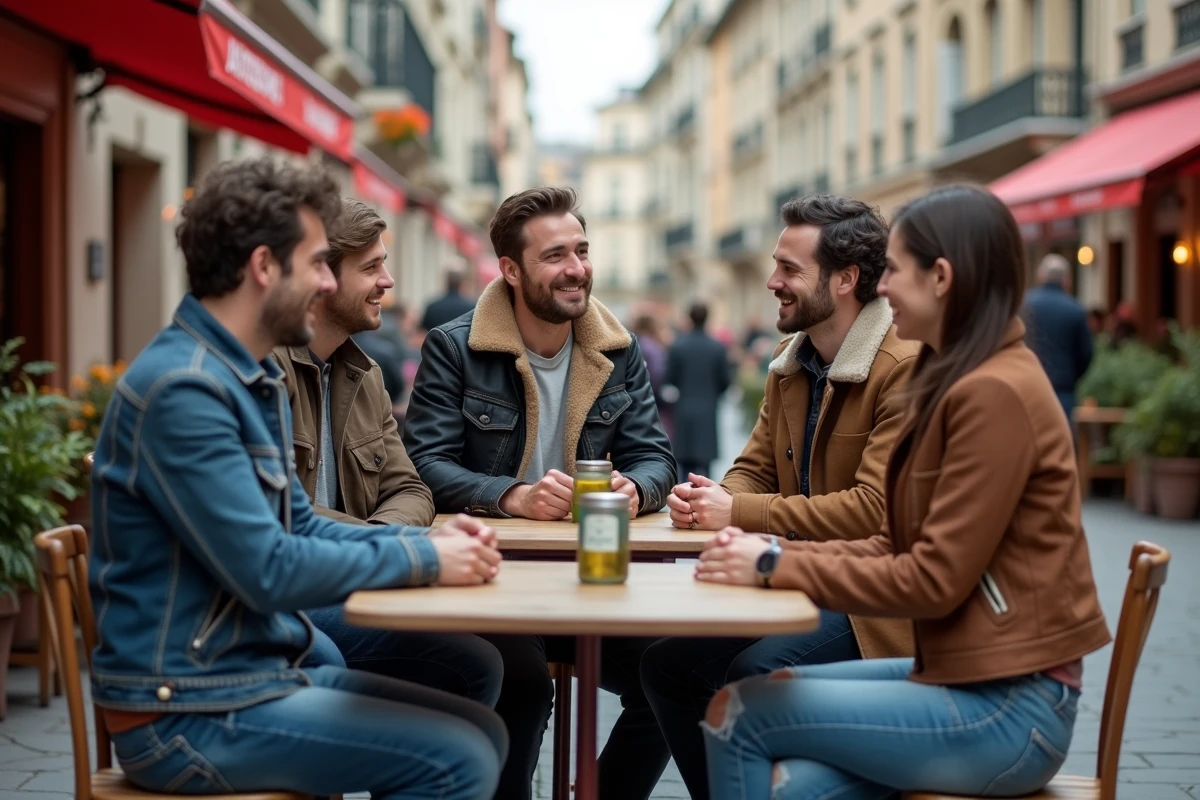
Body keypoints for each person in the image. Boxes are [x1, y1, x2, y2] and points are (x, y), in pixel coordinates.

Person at [87, 157, 507, 800]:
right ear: (263, 267)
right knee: (460, 761)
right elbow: (270, 568)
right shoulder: (186, 390)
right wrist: (423, 556)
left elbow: (299, 524)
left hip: (244, 677)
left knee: (483, 729)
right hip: (186, 713)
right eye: (316, 263)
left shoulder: (240, 375)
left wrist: (424, 549)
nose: (323, 282)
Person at [699, 184, 1111, 799]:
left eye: (894, 269)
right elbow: (892, 542)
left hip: (1010, 705)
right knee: (782, 775)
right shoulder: (960, 378)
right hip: (967, 677)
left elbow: (931, 579)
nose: (882, 288)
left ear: (940, 277)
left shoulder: (991, 392)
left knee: (736, 714)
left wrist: (772, 562)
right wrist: (770, 562)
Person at [403, 186, 676, 800]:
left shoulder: (620, 348)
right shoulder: (454, 347)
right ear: (510, 269)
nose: (576, 268)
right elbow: (422, 464)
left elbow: (657, 457)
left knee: (680, 673)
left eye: (581, 250)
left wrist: (637, 487)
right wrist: (511, 496)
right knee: (523, 686)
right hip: (496, 579)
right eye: (555, 255)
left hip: (596, 577)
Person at [643, 194, 918, 799]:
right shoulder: (788, 362)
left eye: (790, 270)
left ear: (846, 280)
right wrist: (711, 498)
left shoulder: (901, 366)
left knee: (754, 673)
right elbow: (751, 470)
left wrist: (734, 510)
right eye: (776, 265)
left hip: (877, 605)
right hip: (797, 577)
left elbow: (875, 509)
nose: (772, 282)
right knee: (666, 666)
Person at [273, 198, 503, 707]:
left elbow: (410, 486)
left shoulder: (366, 375)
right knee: (470, 664)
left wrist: (380, 544)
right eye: (371, 266)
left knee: (483, 658)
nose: (388, 281)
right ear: (322, 278)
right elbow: (280, 516)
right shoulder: (267, 371)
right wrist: (393, 553)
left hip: (353, 580)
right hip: (292, 590)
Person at [1022, 253, 1094, 420]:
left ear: (1041, 276)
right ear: (1067, 279)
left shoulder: (1025, 306)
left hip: (1029, 383)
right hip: (1063, 388)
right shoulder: (1075, 309)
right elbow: (1086, 353)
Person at [663, 302, 730, 480]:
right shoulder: (717, 347)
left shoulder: (678, 346)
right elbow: (725, 381)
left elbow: (669, 379)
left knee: (684, 463)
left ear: (689, 318)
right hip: (708, 408)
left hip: (684, 408)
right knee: (705, 465)